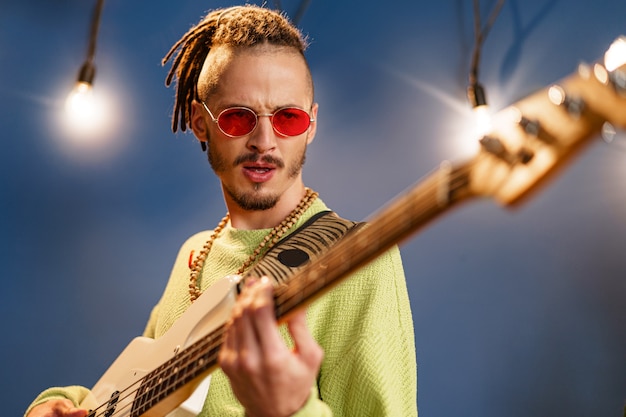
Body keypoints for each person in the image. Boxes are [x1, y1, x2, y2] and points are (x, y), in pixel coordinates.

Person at [25, 5, 417, 417]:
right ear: (199, 122)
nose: (264, 141)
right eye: (236, 118)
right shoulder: (193, 256)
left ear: (312, 124)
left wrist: (292, 409)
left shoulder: (360, 257)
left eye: (288, 117)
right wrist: (61, 403)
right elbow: (132, 393)